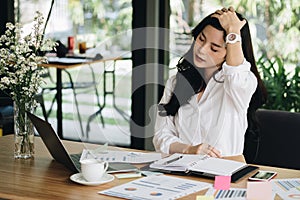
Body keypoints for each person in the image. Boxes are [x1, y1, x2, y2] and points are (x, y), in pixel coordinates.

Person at [153, 7, 267, 158]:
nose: (202, 50)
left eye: (214, 48)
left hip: (224, 171)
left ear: (229, 52)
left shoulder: (242, 83)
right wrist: (189, 149)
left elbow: (236, 74)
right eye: (201, 39)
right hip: (181, 168)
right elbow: (161, 135)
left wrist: (233, 30)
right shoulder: (176, 82)